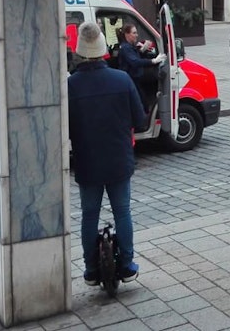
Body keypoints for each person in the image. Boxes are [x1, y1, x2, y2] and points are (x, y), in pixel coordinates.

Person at [67, 22, 146, 287]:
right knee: (122, 211)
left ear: (79, 51)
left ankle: (90, 270)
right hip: (118, 159)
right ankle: (127, 265)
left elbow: (63, 129)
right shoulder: (121, 79)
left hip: (87, 161)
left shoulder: (71, 86)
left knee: (89, 215)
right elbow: (141, 120)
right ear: (102, 50)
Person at [117, 23, 166, 119]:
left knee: (142, 101)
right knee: (141, 103)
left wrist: (142, 50)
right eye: (134, 33)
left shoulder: (129, 46)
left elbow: (134, 56)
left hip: (134, 79)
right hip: (131, 80)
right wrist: (153, 61)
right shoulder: (126, 48)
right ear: (127, 34)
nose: (137, 35)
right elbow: (134, 62)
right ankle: (142, 122)